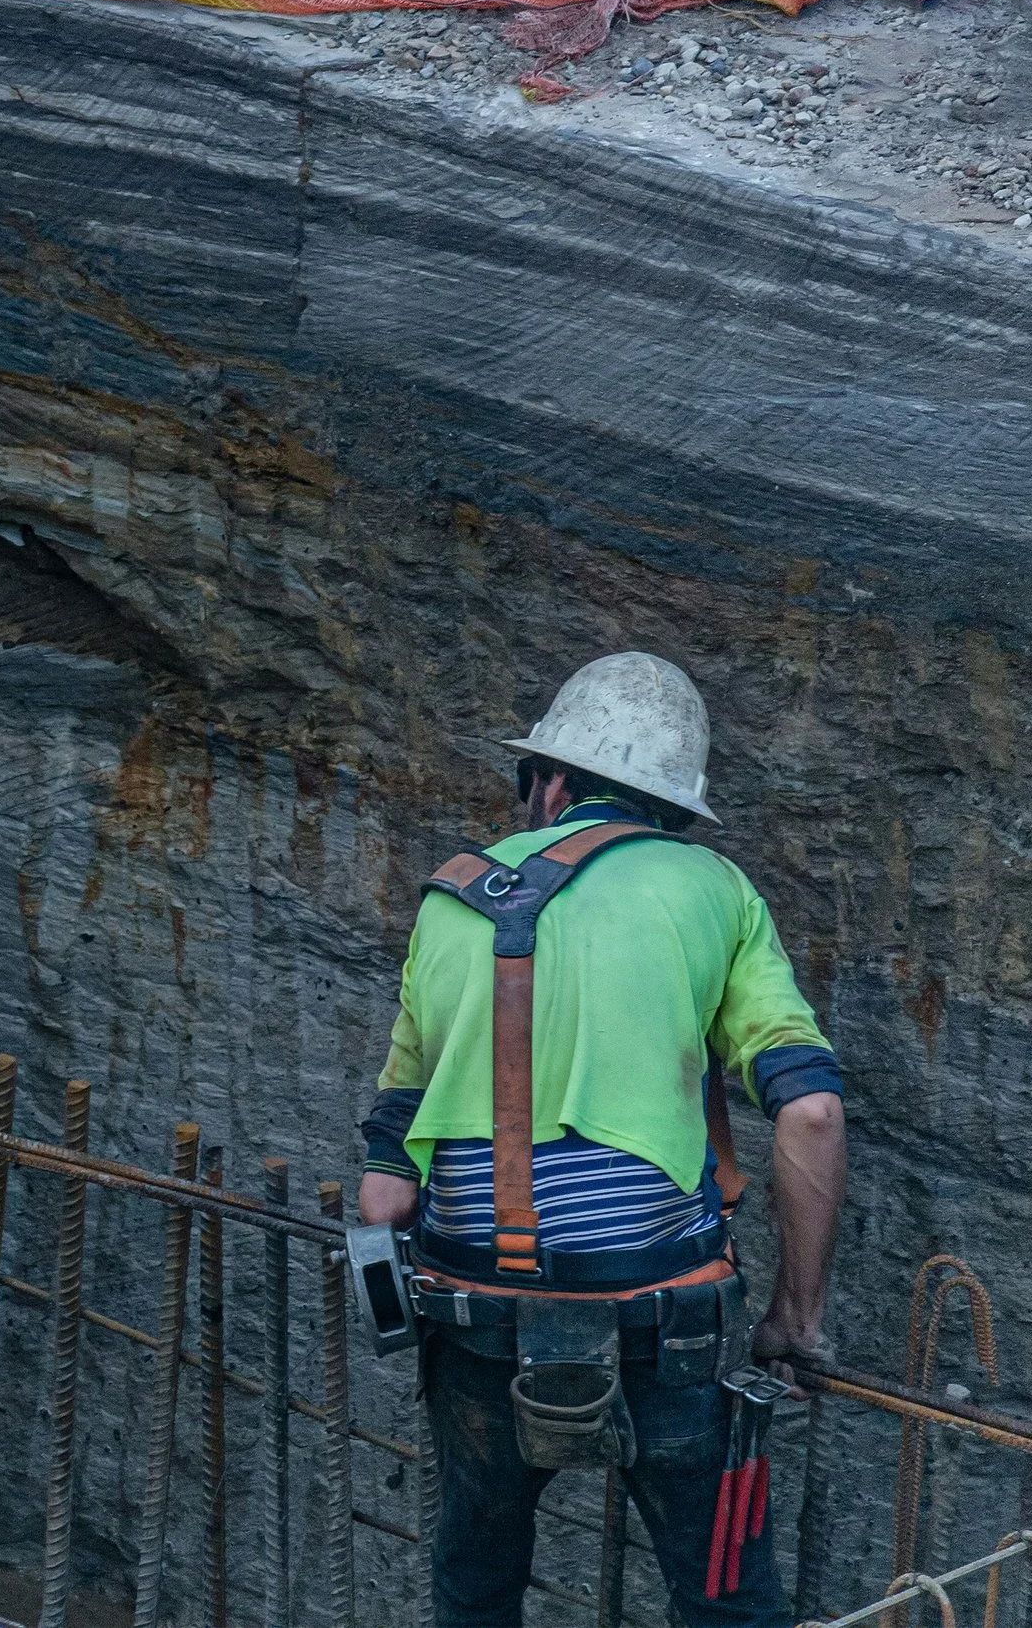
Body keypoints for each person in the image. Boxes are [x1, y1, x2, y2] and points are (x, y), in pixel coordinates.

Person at [355, 651, 848, 1628]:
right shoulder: (716, 890)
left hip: (474, 1320)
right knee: (725, 1605)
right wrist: (793, 1317)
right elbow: (810, 1111)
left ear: (550, 783)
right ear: (672, 809)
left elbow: (385, 1196)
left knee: (474, 1586)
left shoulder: (449, 896)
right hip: (664, 1326)